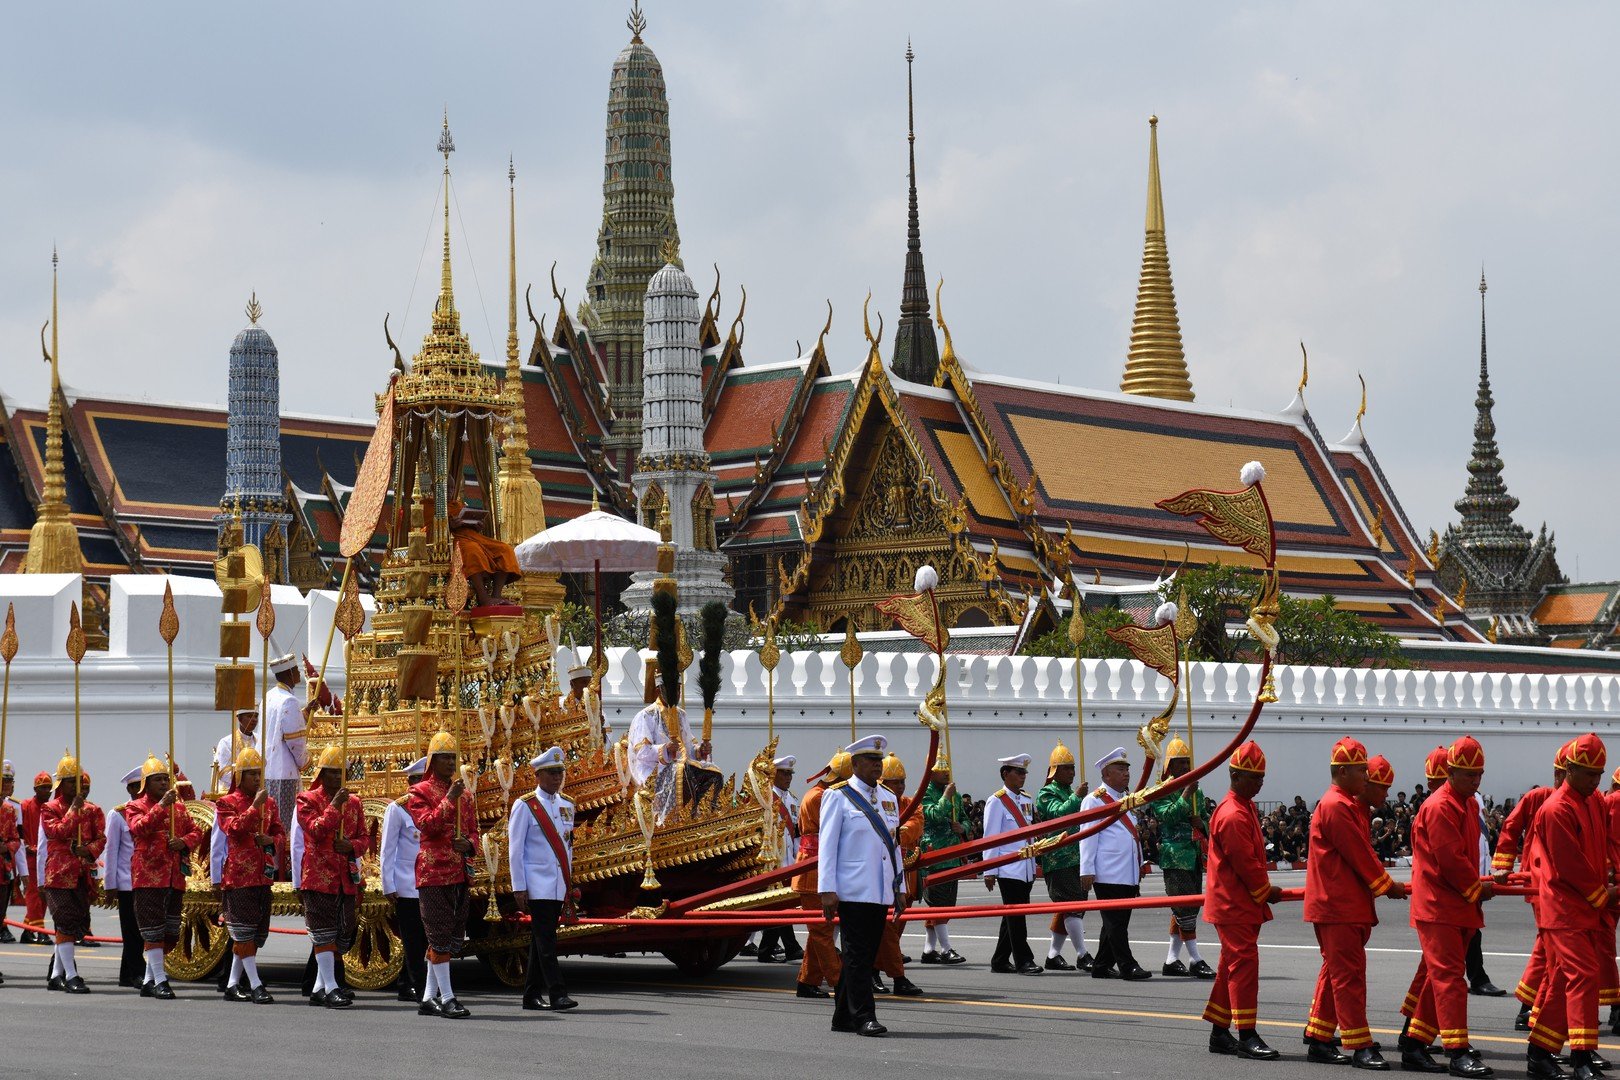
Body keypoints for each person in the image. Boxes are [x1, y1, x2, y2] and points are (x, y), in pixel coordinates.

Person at [1302, 736, 1406, 1070]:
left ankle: (1319, 1037)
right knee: (1349, 977)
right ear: (1343, 771)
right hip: (1338, 905)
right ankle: (1359, 1044)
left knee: (1338, 973)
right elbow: (1360, 855)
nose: (1366, 777)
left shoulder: (1343, 803)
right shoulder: (1337, 805)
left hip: (1343, 904)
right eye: (1361, 771)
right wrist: (1387, 885)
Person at [1399, 737, 1495, 1078]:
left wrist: (1478, 887)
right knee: (1451, 980)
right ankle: (1456, 1050)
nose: (1476, 780)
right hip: (1440, 906)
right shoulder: (1441, 806)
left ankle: (1414, 1044)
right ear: (1450, 772)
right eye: (1470, 774)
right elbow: (1450, 859)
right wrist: (1476, 887)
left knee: (1436, 979)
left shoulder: (1467, 803)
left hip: (1457, 904)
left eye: (1479, 774)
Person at [1526, 733, 1613, 1080]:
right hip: (1563, 908)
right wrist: (1603, 895)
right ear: (1568, 769)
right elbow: (1569, 865)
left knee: (1564, 981)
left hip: (1584, 906)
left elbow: (1596, 853)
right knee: (1584, 975)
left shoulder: (1592, 802)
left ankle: (1540, 1052)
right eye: (1589, 774)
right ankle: (1581, 1056)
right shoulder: (1556, 808)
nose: (1596, 782)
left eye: (1599, 774)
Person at [818, 734, 904, 1038]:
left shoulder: (889, 798)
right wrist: (827, 889)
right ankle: (864, 1015)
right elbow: (827, 846)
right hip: (852, 888)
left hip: (880, 888)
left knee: (863, 954)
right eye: (870, 761)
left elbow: (894, 846)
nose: (876, 766)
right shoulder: (837, 796)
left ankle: (843, 1016)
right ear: (854, 764)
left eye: (879, 761)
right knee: (856, 954)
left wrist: (900, 886)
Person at [1203, 741, 1283, 1060]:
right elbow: (1246, 863)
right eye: (1254, 777)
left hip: (1239, 902)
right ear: (1235, 776)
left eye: (1262, 777)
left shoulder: (1244, 805)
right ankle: (1246, 1034)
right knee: (1244, 965)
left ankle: (1220, 1032)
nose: (1260, 783)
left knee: (1230, 967)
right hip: (1234, 904)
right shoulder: (1233, 813)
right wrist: (1267, 891)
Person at [406, 730, 480, 1019]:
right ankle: (447, 998)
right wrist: (449, 799)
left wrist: (470, 844)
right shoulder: (419, 792)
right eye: (445, 758)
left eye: (453, 757)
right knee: (438, 935)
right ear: (432, 761)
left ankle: (428, 997)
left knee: (451, 936)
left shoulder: (466, 794)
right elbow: (428, 825)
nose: (450, 762)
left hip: (459, 871)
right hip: (433, 872)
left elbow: (474, 830)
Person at [1494, 745, 1566, 1030]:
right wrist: (1503, 865)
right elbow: (1511, 826)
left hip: (1562, 888)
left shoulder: (1582, 801)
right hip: (1542, 884)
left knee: (1546, 947)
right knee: (1549, 947)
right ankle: (1533, 1009)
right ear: (1559, 773)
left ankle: (1531, 1006)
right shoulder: (1541, 798)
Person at [297, 744, 369, 1009]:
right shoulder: (306, 799)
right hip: (318, 875)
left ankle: (319, 987)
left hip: (345, 876)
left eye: (341, 773)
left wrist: (351, 846)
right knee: (322, 932)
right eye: (332, 773)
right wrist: (334, 806)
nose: (337, 778)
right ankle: (331, 987)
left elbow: (364, 838)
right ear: (322, 773)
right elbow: (315, 830)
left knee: (343, 931)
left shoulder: (355, 803)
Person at [509, 745, 580, 1012]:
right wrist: (519, 887)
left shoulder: (567, 805)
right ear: (538, 775)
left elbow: (568, 847)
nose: (556, 778)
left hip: (557, 882)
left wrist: (568, 883)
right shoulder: (525, 805)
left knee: (542, 939)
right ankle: (557, 993)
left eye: (559, 772)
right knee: (546, 940)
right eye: (551, 773)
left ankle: (530, 995)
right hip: (536, 882)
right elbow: (515, 849)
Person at [126, 754, 202, 1000]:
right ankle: (160, 980)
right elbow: (139, 828)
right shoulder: (135, 806)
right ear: (145, 783)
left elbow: (196, 831)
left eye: (165, 779)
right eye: (157, 780)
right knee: (153, 930)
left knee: (170, 931)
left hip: (174, 875)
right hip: (149, 876)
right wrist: (160, 807)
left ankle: (149, 979)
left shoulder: (179, 808)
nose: (162, 784)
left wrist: (183, 842)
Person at [214, 747, 281, 1004]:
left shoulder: (270, 803)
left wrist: (271, 839)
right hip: (240, 876)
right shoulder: (227, 803)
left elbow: (280, 833)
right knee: (243, 932)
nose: (256, 778)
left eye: (259, 773)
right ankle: (255, 984)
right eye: (251, 773)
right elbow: (233, 830)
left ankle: (232, 983)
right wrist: (254, 808)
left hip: (263, 874)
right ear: (240, 776)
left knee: (254, 933)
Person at [1080, 746, 1151, 981]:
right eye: (1120, 769)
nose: (1126, 773)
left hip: (1126, 871)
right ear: (1106, 774)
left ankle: (1101, 964)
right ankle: (1127, 965)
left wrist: (1139, 863)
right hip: (1108, 871)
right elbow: (1088, 835)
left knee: (1116, 922)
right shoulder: (1094, 800)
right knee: (1116, 923)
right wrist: (1087, 869)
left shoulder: (1125, 800)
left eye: (1127, 769)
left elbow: (1132, 836)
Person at [627, 654, 721, 820]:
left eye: (678, 689)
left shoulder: (681, 715)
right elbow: (640, 752)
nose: (676, 693)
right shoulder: (646, 716)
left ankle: (704, 815)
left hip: (682, 768)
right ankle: (674, 819)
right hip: (653, 772)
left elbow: (689, 749)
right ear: (659, 690)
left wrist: (700, 751)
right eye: (672, 690)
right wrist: (665, 749)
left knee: (713, 773)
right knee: (680, 771)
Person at [39, 753, 103, 993]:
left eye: (77, 781)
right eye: (69, 781)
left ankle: (56, 974)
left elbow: (101, 838)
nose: (74, 786)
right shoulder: (49, 808)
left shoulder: (93, 810)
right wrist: (73, 811)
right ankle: (71, 975)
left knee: (74, 924)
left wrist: (87, 850)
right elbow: (55, 832)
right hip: (58, 874)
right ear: (60, 784)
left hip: (82, 874)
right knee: (64, 922)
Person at [1156, 736, 1215, 979]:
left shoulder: (1196, 790)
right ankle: (1195, 958)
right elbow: (1166, 816)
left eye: (1187, 762)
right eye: (1179, 763)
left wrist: (1202, 823)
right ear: (1169, 765)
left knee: (1186, 908)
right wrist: (1184, 796)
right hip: (1173, 855)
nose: (1184, 767)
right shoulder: (1162, 790)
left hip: (1192, 856)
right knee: (1183, 908)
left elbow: (1206, 818)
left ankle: (1171, 959)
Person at [795, 751, 848, 999]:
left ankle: (808, 980)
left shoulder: (819, 794)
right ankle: (840, 983)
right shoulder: (823, 797)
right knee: (823, 932)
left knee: (821, 931)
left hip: (817, 868)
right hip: (813, 871)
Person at [1034, 740, 1091, 971]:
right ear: (1055, 771)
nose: (1072, 772)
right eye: (1067, 768)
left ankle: (1053, 955)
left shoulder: (1070, 792)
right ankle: (1082, 953)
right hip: (1058, 858)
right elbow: (1058, 816)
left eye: (1073, 768)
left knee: (1072, 906)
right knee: (1072, 906)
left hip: (1076, 857)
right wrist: (1078, 797)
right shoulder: (1046, 794)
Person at [983, 752, 1041, 976]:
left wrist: (1033, 864)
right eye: (1018, 772)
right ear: (1005, 774)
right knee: (1016, 916)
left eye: (1024, 772)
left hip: (1024, 867)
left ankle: (999, 959)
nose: (1023, 776)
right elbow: (991, 837)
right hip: (1008, 867)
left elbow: (1030, 836)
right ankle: (1024, 960)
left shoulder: (1026, 799)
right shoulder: (996, 801)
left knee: (1013, 915)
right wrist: (990, 870)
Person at [872, 753, 922, 996]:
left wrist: (897, 832)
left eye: (902, 781)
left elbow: (915, 825)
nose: (901, 786)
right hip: (881, 874)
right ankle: (896, 976)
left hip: (906, 874)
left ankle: (875, 971)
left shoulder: (911, 802)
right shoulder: (873, 802)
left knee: (895, 930)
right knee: (886, 930)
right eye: (895, 782)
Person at [380, 756, 428, 1004]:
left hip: (429, 880)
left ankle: (407, 981)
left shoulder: (433, 806)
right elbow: (387, 849)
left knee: (426, 936)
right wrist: (388, 884)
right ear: (410, 783)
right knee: (412, 936)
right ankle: (414, 983)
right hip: (407, 881)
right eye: (417, 780)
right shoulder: (397, 808)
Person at [262, 653, 312, 876]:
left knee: (271, 820)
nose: (299, 673)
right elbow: (294, 740)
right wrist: (305, 762)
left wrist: (306, 713)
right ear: (290, 673)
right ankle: (285, 870)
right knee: (285, 824)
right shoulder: (289, 700)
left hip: (268, 770)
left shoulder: (269, 696)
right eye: (297, 671)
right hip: (286, 773)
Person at [918, 757, 969, 966]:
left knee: (945, 904)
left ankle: (929, 949)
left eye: (947, 768)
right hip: (934, 855)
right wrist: (946, 797)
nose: (946, 773)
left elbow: (966, 817)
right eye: (941, 770)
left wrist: (963, 827)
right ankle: (946, 949)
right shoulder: (924, 794)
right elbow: (933, 816)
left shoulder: (955, 794)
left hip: (952, 853)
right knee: (939, 904)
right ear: (930, 773)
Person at [756, 754, 804, 965]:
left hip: (788, 862)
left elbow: (797, 833)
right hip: (771, 862)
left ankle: (775, 949)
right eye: (784, 773)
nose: (788, 777)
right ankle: (779, 949)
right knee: (779, 907)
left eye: (790, 773)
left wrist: (797, 860)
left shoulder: (792, 800)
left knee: (782, 907)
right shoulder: (764, 798)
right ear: (773, 774)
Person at [102, 766, 143, 988]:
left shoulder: (151, 811)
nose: (140, 790)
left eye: (142, 785)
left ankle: (126, 973)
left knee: (137, 930)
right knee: (132, 930)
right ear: (129, 789)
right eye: (136, 786)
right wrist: (110, 885)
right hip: (127, 882)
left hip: (145, 880)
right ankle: (137, 972)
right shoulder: (118, 814)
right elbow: (111, 851)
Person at [448, 498, 522, 609]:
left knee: (505, 549)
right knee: (473, 551)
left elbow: (470, 526)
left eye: (452, 488)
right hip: (455, 539)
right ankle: (483, 597)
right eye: (447, 488)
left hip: (475, 537)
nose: (449, 491)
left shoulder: (458, 505)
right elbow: (429, 530)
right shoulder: (431, 506)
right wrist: (449, 526)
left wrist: (477, 526)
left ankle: (496, 595)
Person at [19, 770, 52, 944]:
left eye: (49, 788)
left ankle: (27, 930)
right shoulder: (25, 806)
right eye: (43, 788)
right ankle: (40, 931)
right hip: (29, 857)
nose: (47, 791)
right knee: (33, 895)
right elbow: (17, 830)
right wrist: (24, 845)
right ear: (35, 789)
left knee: (43, 895)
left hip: (47, 858)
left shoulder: (52, 808)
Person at [213, 708, 260, 793]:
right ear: (239, 718)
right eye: (249, 716)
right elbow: (223, 773)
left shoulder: (261, 740)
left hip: (257, 789)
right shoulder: (226, 742)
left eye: (256, 716)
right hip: (231, 791)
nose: (254, 720)